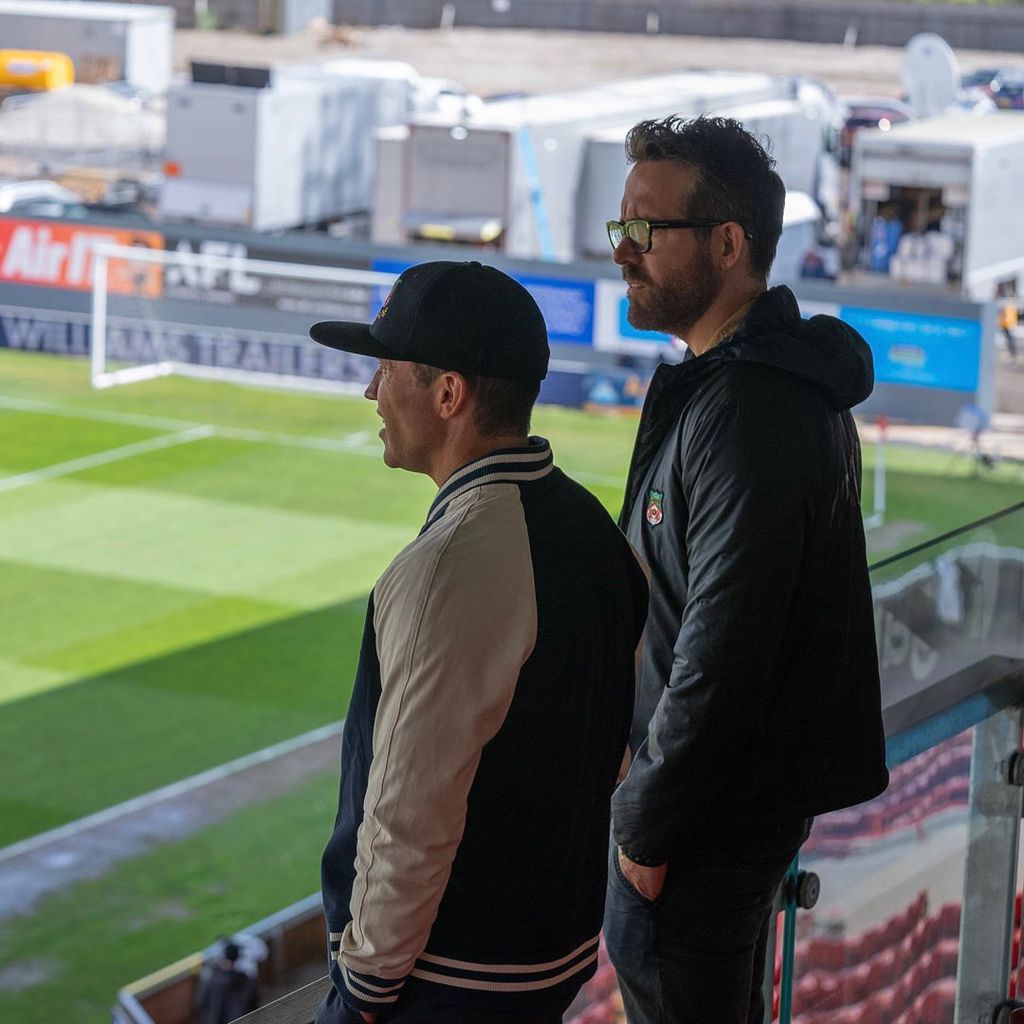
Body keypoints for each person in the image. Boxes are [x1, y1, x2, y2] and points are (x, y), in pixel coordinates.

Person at [308, 261, 649, 1024]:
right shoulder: (590, 528)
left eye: (386, 370)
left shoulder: (453, 567)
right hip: (551, 956)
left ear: (449, 393)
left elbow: (409, 809)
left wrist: (361, 989)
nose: (371, 393)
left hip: (449, 982)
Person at [603, 115, 889, 1024]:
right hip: (712, 807)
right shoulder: (741, 385)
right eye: (622, 229)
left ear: (728, 244)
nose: (624, 252)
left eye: (648, 230)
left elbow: (726, 643)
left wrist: (648, 820)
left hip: (699, 821)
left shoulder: (746, 406)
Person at [194, 940, 259, 1024]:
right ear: (237, 958)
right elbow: (253, 1002)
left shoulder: (211, 977)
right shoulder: (244, 979)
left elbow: (200, 1002)